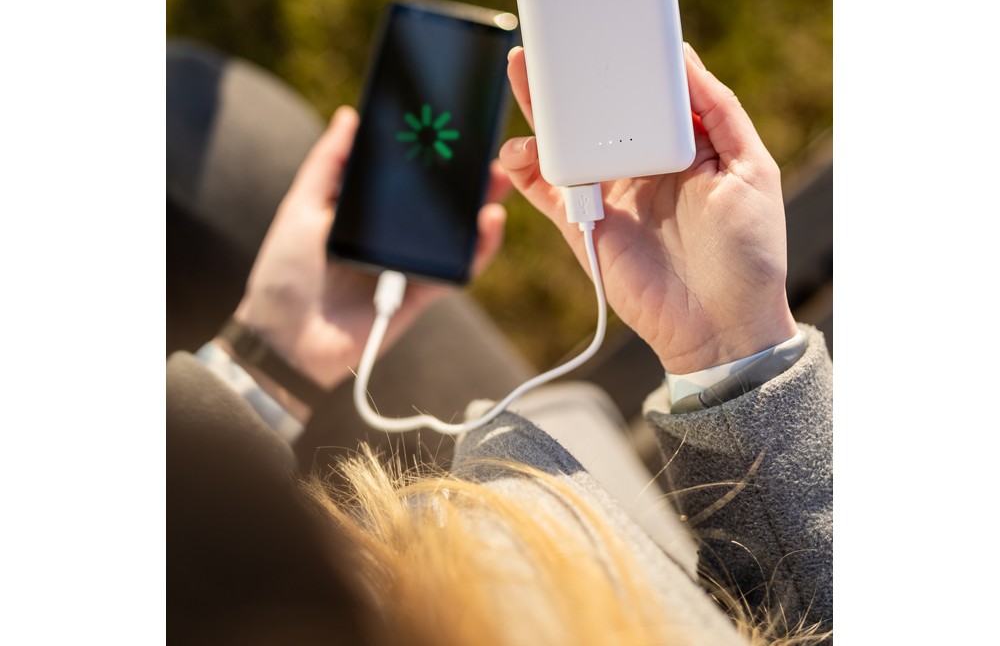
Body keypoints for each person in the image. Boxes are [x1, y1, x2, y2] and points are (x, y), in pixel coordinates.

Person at [166, 42, 832, 645]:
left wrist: (260, 366)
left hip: (375, 525)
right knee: (195, 108)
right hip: (554, 484)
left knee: (185, 110)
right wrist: (726, 345)